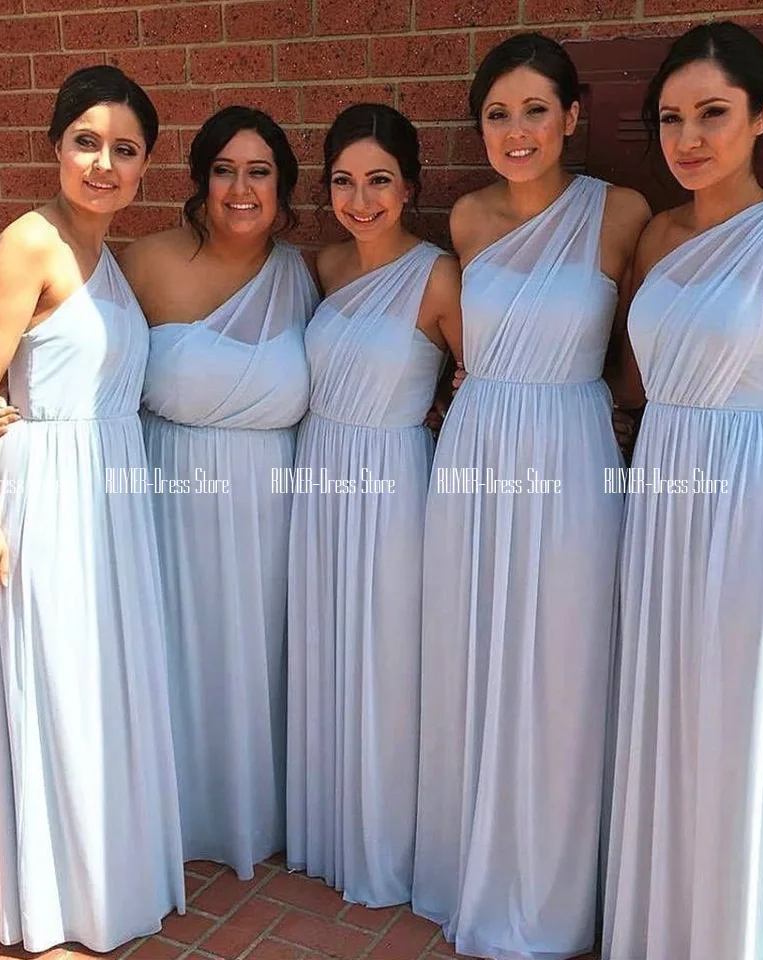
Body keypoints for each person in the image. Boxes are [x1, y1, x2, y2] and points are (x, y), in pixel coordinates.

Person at [602, 22, 763, 960]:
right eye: (671, 118)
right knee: (663, 708)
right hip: (662, 486)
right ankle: (662, 926)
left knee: (738, 719)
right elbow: (632, 381)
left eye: (713, 113)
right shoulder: (657, 235)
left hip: (753, 495)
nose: (689, 138)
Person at [413, 32, 650, 960]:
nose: (517, 131)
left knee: (563, 659)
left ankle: (550, 893)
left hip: (571, 446)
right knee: (471, 646)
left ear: (572, 117)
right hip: (476, 448)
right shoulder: (467, 217)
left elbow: (639, 345)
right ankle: (468, 865)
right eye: (498, 114)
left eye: (535, 111)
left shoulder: (620, 211)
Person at [0, 65, 184, 953]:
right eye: (87, 142)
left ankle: (112, 878)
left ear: (145, 165)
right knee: (58, 689)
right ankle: (63, 902)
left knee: (103, 684)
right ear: (56, 145)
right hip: (45, 499)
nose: (104, 164)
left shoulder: (108, 257)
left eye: (125, 149)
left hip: (110, 493)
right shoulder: (30, 242)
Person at [121, 106, 318, 879]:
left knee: (262, 660)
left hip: (274, 506)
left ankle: (257, 812)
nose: (241, 188)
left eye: (259, 171)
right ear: (201, 180)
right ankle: (175, 811)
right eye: (225, 170)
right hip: (172, 494)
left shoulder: (304, 276)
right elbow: (87, 363)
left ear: (283, 187)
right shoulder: (144, 262)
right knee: (179, 653)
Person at [286, 103, 461, 906]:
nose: (361, 201)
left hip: (392, 480)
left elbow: (481, 382)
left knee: (387, 655)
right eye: (344, 182)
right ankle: (327, 829)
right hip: (319, 470)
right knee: (325, 642)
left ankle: (384, 844)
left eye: (380, 181)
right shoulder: (324, 267)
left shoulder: (438, 275)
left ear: (411, 187)